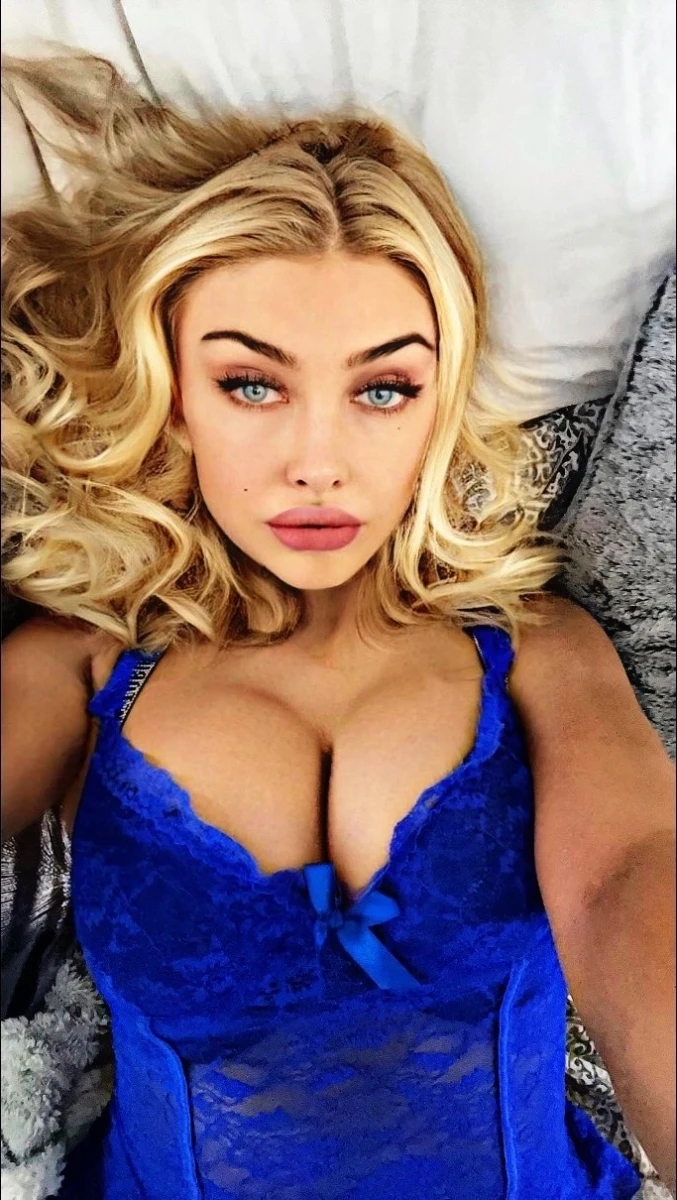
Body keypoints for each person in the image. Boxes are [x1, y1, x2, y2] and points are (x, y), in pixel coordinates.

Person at [1, 52, 674, 1200]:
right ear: (173, 390)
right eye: (252, 385)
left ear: (436, 403)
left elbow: (626, 878)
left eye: (381, 389)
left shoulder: (535, 651)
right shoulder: (80, 669)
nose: (318, 461)